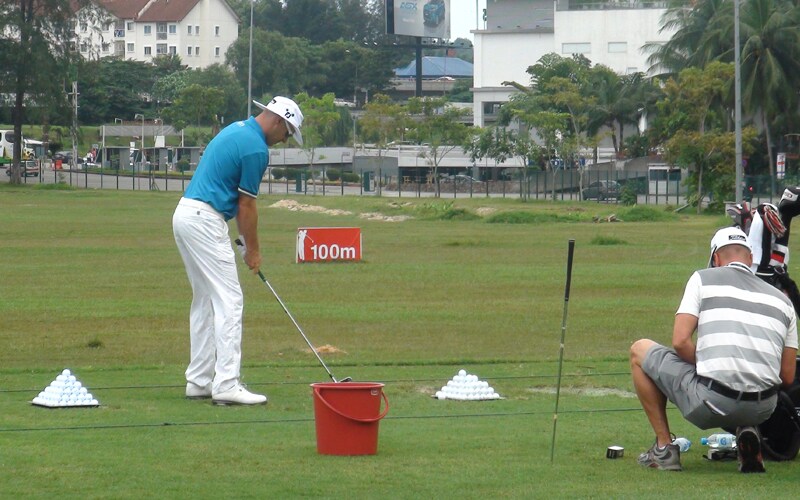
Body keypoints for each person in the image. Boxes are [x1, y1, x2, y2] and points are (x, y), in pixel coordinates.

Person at [630, 227, 798, 472]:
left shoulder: (702, 278)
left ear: (716, 258)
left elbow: (680, 341)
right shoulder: (783, 301)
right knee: (747, 366)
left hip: (712, 403)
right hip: (763, 409)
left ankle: (664, 449)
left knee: (639, 350)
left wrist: (712, 364)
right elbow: (788, 376)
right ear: (750, 258)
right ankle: (748, 430)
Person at [172, 96, 304, 405]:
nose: (284, 140)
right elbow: (247, 206)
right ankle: (227, 384)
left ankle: (199, 381)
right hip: (205, 220)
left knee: (205, 300)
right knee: (230, 301)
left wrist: (245, 243)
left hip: (186, 214)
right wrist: (253, 251)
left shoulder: (236, 128)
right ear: (278, 121)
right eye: (286, 133)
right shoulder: (256, 148)